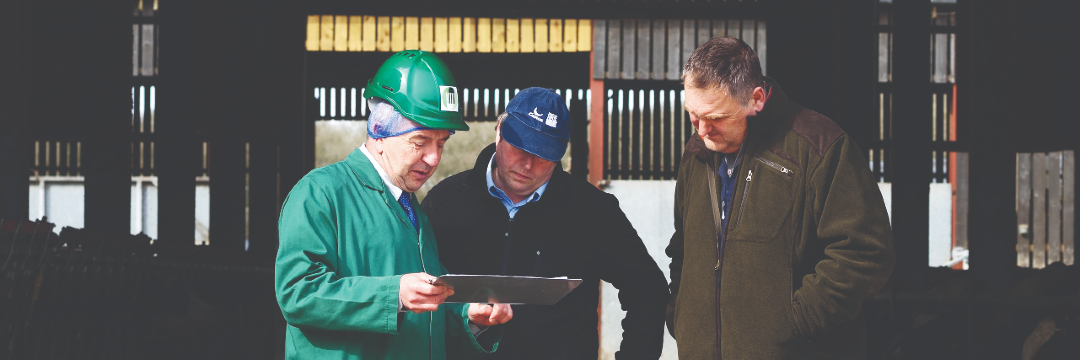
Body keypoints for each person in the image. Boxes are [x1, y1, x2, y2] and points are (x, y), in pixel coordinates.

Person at [665, 37, 895, 359]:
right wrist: (681, 315)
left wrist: (797, 322)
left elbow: (865, 251)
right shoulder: (697, 154)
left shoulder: (820, 147)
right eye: (693, 115)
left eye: (715, 118)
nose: (702, 131)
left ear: (756, 99)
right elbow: (683, 247)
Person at [275, 50, 512, 360]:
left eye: (441, 143)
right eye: (420, 141)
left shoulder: (414, 212)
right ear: (379, 130)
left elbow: (428, 311)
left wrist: (468, 315)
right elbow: (298, 293)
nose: (434, 159)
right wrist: (394, 294)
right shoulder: (320, 193)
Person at [422, 87, 670, 360]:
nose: (527, 164)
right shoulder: (445, 202)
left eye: (543, 154)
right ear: (499, 132)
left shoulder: (594, 211)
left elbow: (648, 290)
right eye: (519, 147)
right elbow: (413, 294)